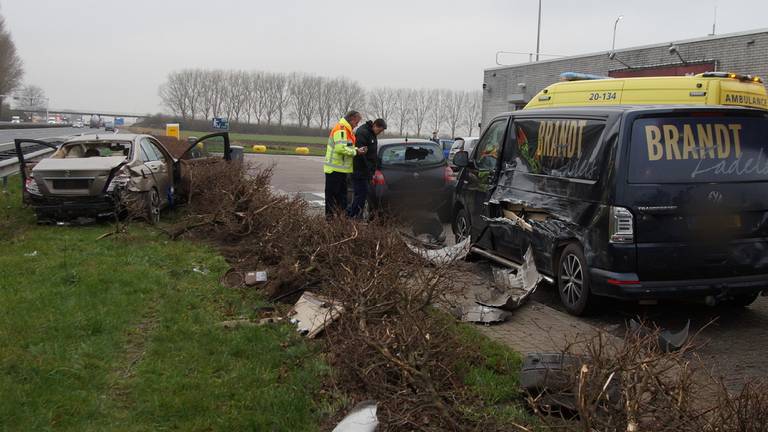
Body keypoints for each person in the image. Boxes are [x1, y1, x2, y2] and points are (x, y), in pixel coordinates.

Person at [324, 110, 365, 217]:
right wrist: (356, 152)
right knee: (332, 199)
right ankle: (330, 222)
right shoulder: (341, 129)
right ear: (351, 119)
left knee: (341, 199)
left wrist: (356, 149)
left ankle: (340, 223)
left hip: (341, 170)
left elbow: (347, 147)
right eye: (357, 121)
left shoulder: (347, 130)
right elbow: (340, 148)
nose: (357, 124)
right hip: (335, 170)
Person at [348, 118, 387, 219]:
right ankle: (350, 215)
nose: (379, 133)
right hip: (360, 171)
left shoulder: (371, 133)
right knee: (361, 195)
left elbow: (371, 154)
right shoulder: (363, 133)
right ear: (375, 125)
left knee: (362, 195)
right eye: (380, 130)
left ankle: (354, 215)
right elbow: (361, 154)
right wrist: (369, 169)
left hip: (366, 172)